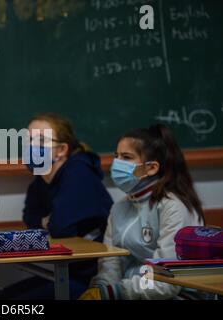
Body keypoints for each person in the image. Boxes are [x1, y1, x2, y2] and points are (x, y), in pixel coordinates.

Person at [79, 124, 205, 300]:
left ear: (151, 168)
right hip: (133, 294)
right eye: (117, 156)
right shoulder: (119, 208)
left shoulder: (173, 206)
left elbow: (167, 281)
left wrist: (114, 293)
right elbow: (110, 265)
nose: (117, 163)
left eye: (127, 157)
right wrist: (100, 288)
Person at [1, 113, 113, 300]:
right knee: (4, 296)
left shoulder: (78, 173)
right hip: (68, 271)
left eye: (41, 140)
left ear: (61, 149)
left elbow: (60, 228)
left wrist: (47, 223)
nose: (32, 146)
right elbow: (29, 217)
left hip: (94, 277)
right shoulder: (41, 178)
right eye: (28, 140)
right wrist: (47, 223)